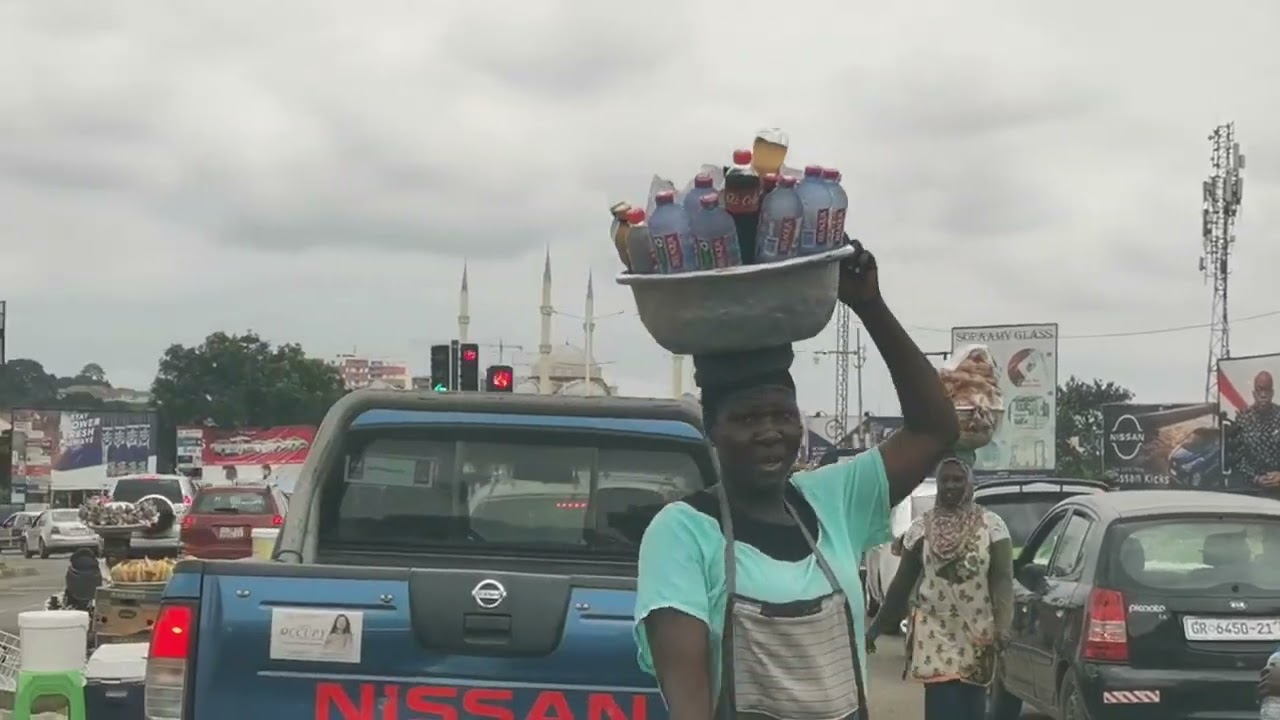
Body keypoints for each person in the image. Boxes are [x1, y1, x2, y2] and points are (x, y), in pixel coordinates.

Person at [634, 241, 959, 720]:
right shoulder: (681, 532)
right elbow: (689, 700)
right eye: (747, 418)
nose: (770, 432)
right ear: (712, 431)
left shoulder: (833, 499)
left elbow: (935, 430)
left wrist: (870, 306)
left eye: (783, 415)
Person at [867, 455, 1014, 720]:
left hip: (976, 635)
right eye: (945, 479)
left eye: (957, 480)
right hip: (934, 635)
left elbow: (1002, 582)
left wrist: (1003, 626)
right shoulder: (921, 529)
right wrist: (873, 631)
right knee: (942, 708)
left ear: (969, 483)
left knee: (972, 709)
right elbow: (901, 586)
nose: (950, 485)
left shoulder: (992, 527)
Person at [1230, 371, 1280, 492]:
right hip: (1252, 489)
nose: (1263, 395)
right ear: (1253, 393)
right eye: (1259, 390)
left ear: (1272, 393)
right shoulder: (1243, 419)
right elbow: (1237, 458)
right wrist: (1255, 478)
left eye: (1267, 390)